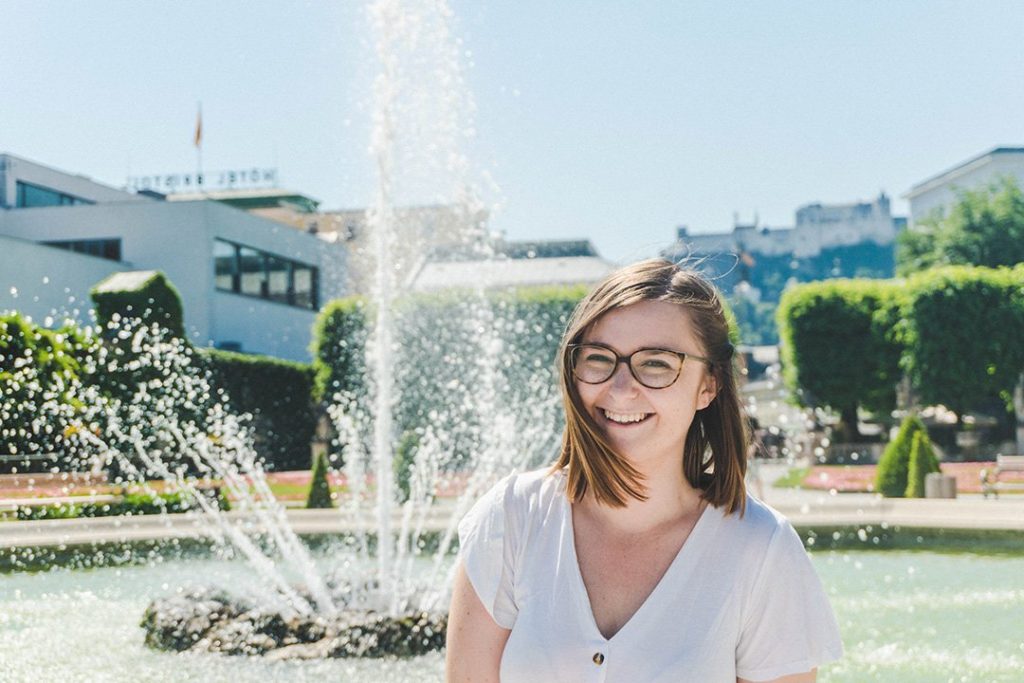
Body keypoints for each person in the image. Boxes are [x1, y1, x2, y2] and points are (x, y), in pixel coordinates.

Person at [446, 259, 842, 682]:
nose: (620, 389)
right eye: (599, 359)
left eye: (656, 363)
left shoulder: (762, 549)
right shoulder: (512, 518)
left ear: (709, 385)